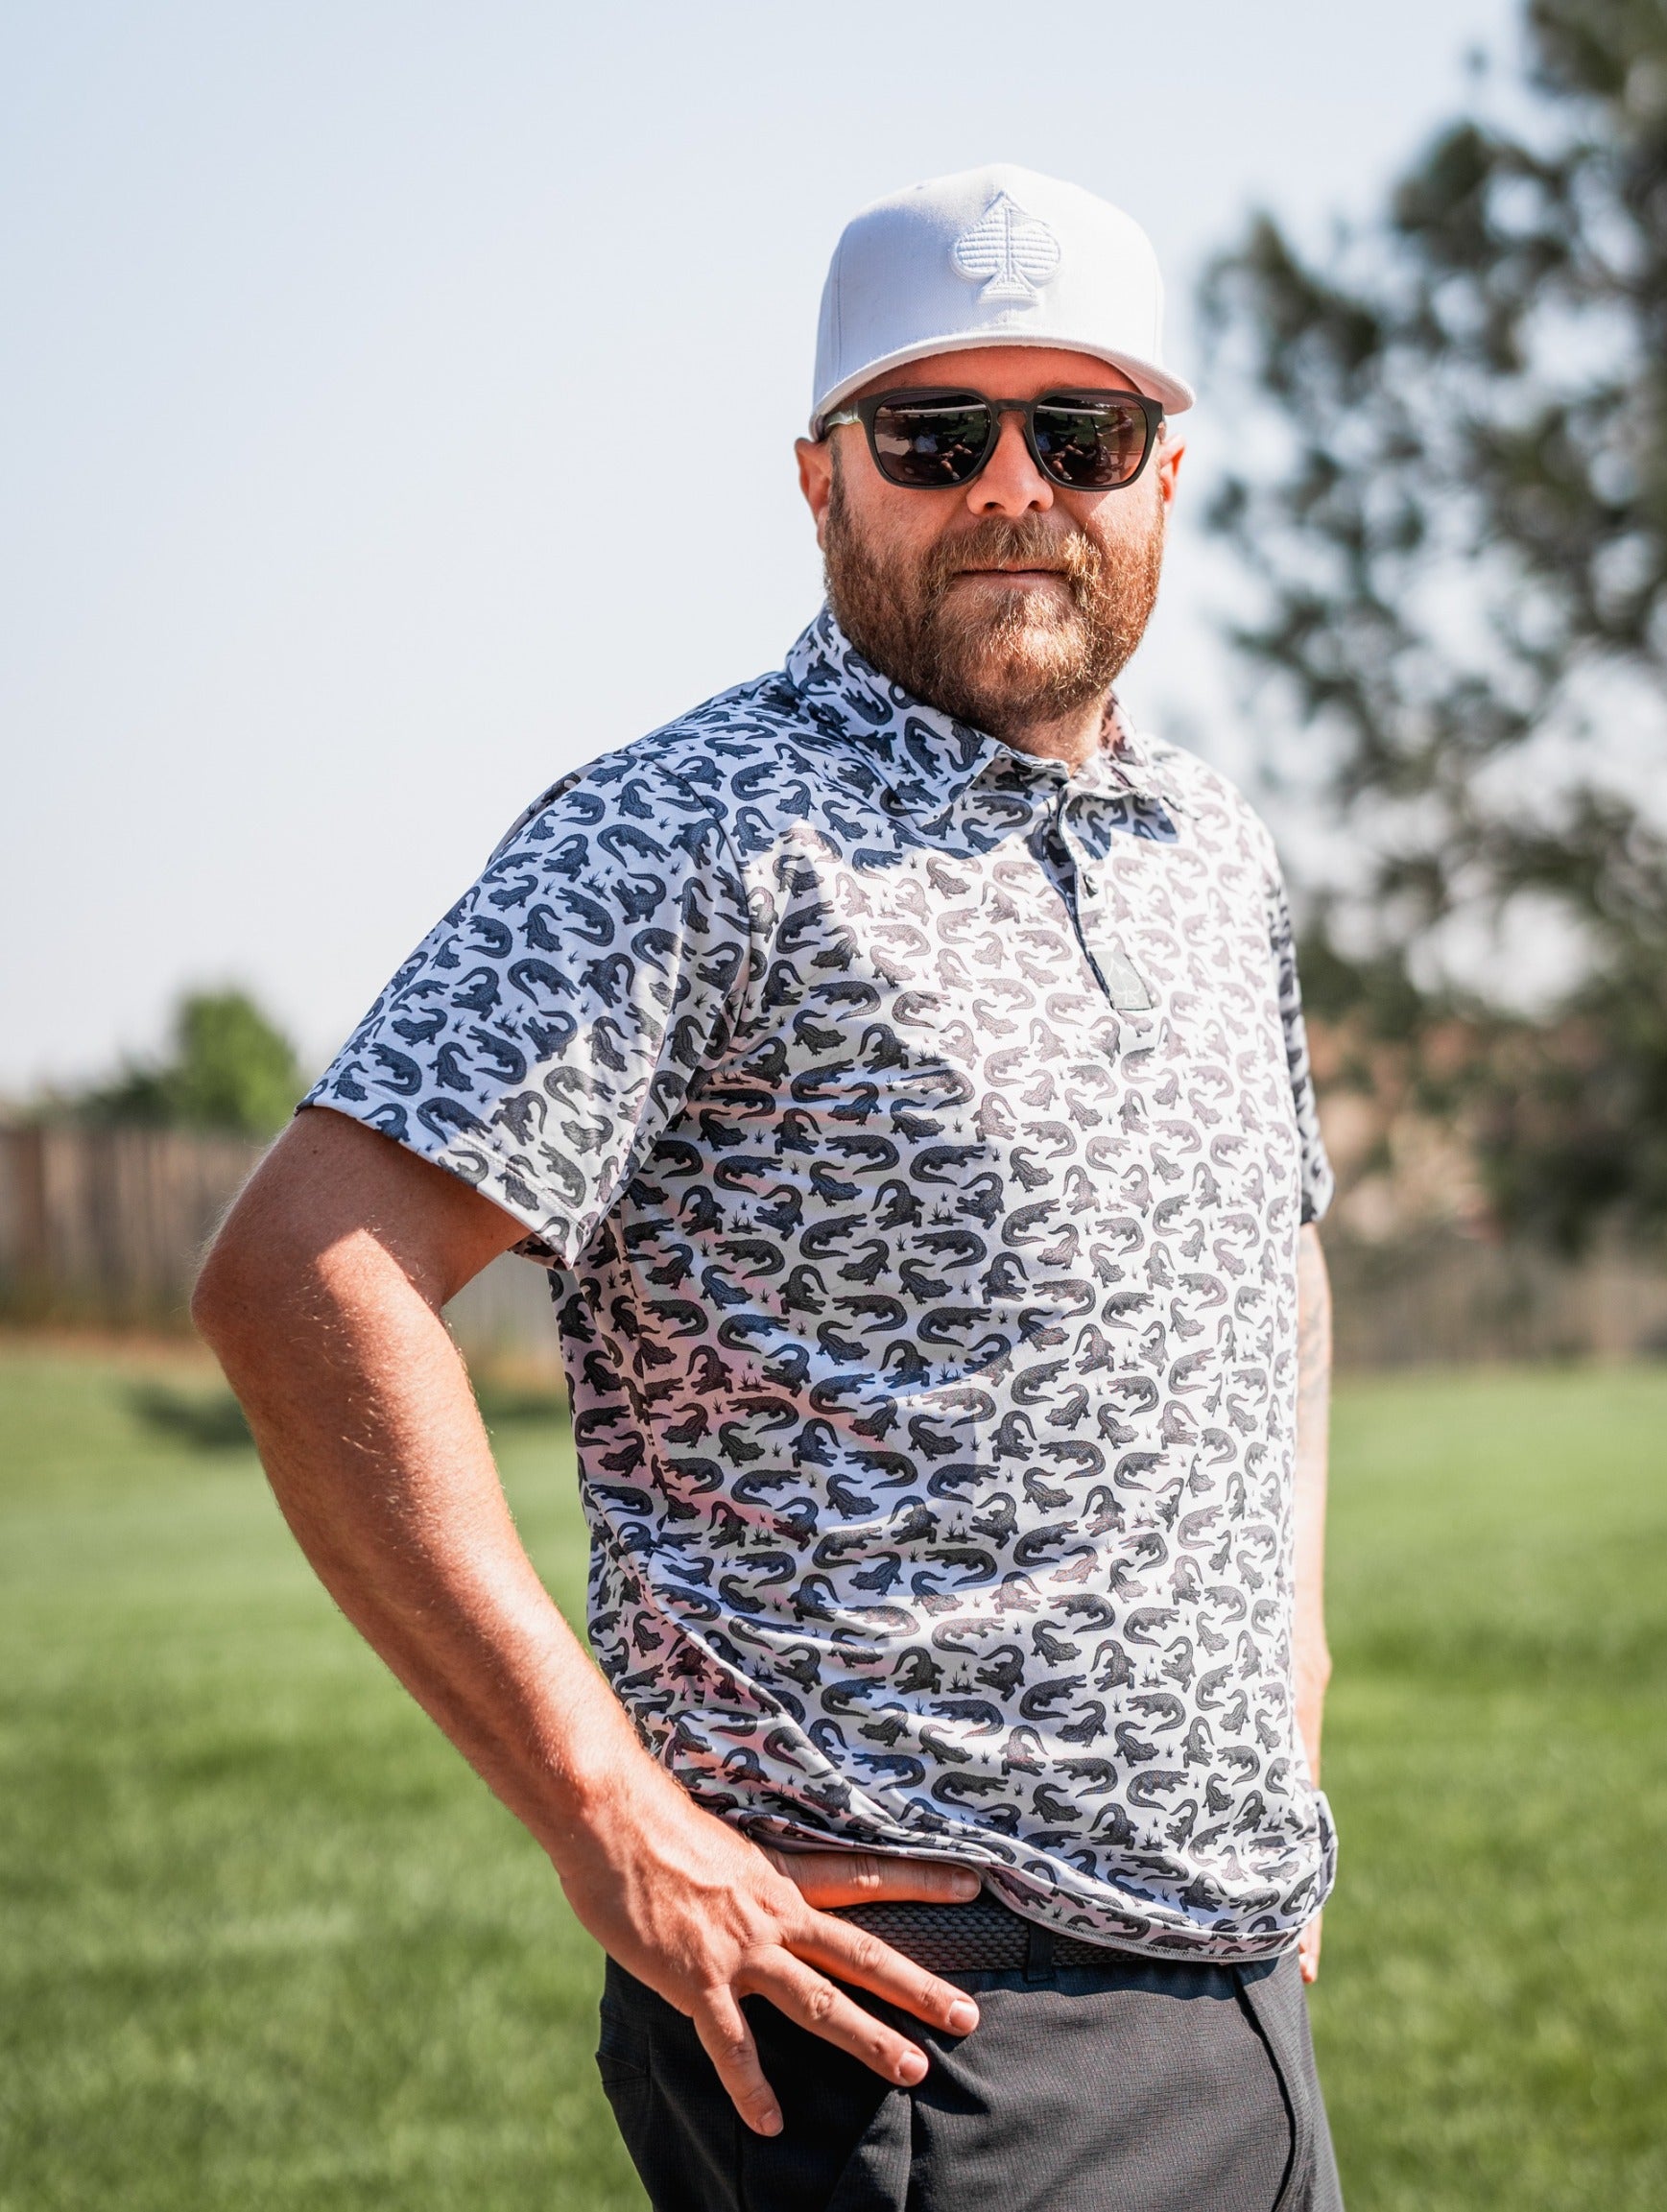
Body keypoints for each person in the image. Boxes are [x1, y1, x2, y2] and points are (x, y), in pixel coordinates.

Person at [195, 163, 1342, 2212]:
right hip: (908, 2034)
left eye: (1077, 434)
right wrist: (606, 1817)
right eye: (934, 434)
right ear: (820, 479)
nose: (1012, 486)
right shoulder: (688, 834)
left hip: (1237, 1990)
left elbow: (1280, 1257)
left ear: (1163, 478)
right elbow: (302, 1275)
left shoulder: (1213, 851)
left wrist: (1293, 1678)